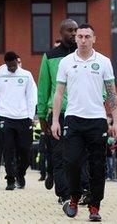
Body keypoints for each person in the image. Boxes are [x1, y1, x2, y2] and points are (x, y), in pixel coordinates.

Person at [50, 23, 117, 221]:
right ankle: (74, 198)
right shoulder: (66, 62)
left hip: (97, 121)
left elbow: (112, 93)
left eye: (86, 37)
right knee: (71, 162)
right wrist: (55, 120)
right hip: (73, 119)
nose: (82, 40)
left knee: (97, 166)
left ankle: (94, 206)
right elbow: (58, 93)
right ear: (76, 39)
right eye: (79, 36)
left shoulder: (104, 62)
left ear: (94, 39)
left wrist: (116, 122)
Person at [37, 19, 77, 202]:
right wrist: (43, 113)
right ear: (61, 33)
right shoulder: (50, 56)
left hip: (79, 112)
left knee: (78, 156)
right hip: (58, 114)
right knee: (59, 155)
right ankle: (64, 194)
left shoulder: (84, 55)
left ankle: (81, 189)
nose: (74, 33)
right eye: (70, 30)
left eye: (76, 30)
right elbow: (43, 87)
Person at [0, 51, 37, 191]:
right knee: (8, 150)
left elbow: (32, 97)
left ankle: (20, 174)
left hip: (23, 117)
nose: (12, 68)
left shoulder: (26, 75)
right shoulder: (0, 74)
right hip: (5, 117)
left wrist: (30, 116)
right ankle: (10, 179)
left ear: (18, 61)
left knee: (25, 151)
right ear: (5, 63)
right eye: (9, 66)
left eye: (14, 65)